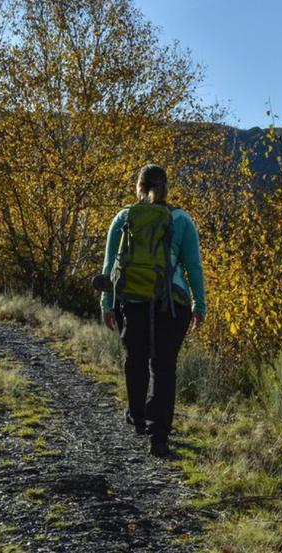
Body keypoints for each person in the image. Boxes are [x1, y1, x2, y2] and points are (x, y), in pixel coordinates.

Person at [100, 164, 205, 457]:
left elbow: (109, 267)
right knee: (164, 367)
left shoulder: (124, 218)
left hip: (132, 300)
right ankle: (159, 439)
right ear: (166, 187)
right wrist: (200, 304)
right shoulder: (182, 220)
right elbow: (193, 267)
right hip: (171, 303)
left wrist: (106, 304)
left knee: (135, 360)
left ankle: (136, 417)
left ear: (139, 187)